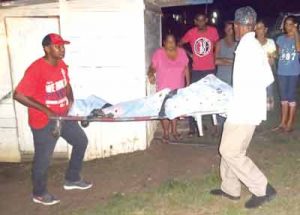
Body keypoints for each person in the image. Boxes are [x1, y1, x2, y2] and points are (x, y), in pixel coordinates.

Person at [13, 33, 92, 206]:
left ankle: (72, 179)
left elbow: (66, 83)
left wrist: (71, 98)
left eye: (63, 46)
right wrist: (46, 111)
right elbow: (18, 95)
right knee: (43, 159)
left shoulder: (61, 64)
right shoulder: (36, 69)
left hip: (63, 116)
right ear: (46, 48)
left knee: (81, 141)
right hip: (44, 122)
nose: (62, 49)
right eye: (57, 46)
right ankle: (39, 193)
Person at [210, 7, 276, 209]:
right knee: (232, 148)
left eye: (234, 24)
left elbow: (261, 78)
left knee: (229, 150)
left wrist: (247, 98)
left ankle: (263, 188)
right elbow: (266, 77)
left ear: (241, 25)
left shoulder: (249, 48)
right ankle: (230, 188)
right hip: (242, 107)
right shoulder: (250, 45)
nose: (232, 27)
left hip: (244, 110)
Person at [179, 13, 219, 136]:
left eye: (203, 20)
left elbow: (217, 43)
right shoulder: (191, 32)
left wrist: (214, 55)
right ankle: (192, 126)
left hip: (210, 69)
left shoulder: (213, 31)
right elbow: (179, 44)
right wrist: (190, 54)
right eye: (198, 20)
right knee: (194, 97)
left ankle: (215, 125)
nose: (200, 23)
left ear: (206, 20)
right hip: (196, 70)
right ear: (195, 21)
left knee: (212, 97)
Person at [148, 34, 190, 143]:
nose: (171, 44)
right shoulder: (159, 53)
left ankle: (174, 131)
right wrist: (150, 74)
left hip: (178, 87)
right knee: (164, 111)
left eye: (173, 41)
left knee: (175, 110)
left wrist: (188, 84)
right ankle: (166, 133)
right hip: (163, 88)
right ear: (164, 43)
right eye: (168, 41)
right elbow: (152, 67)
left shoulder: (181, 52)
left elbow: (186, 69)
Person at [273, 15, 300, 132]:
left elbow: (298, 49)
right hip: (282, 72)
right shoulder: (280, 39)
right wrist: (273, 55)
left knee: (291, 97)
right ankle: (282, 123)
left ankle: (290, 123)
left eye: (290, 24)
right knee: (283, 98)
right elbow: (278, 54)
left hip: (293, 72)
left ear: (295, 25)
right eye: (286, 24)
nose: (287, 26)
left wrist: (296, 33)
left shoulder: (297, 38)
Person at [255, 19, 277, 111]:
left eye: (261, 28)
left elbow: (271, 60)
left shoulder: (271, 42)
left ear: (265, 29)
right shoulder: (252, 42)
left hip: (267, 74)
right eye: (257, 28)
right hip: (254, 74)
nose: (259, 30)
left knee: (268, 98)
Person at [216, 21, 237, 86]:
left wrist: (222, 60)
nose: (229, 30)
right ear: (225, 29)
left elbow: (241, 62)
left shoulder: (238, 43)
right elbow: (215, 61)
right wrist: (233, 61)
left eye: (231, 28)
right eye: (227, 28)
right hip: (221, 78)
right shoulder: (219, 43)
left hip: (234, 78)